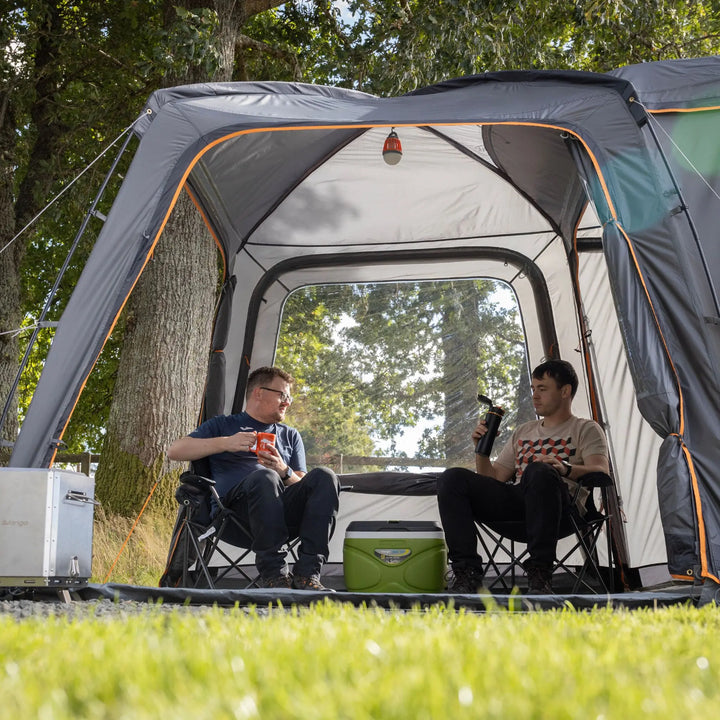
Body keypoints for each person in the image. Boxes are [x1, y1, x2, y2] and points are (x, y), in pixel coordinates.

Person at [436, 359, 609, 594]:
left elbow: (600, 471)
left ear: (565, 391)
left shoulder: (585, 428)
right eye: (533, 389)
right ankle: (467, 574)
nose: (535, 396)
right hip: (517, 507)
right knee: (452, 478)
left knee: (538, 470)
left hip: (560, 510)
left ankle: (540, 573)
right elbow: (494, 479)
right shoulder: (523, 431)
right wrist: (482, 450)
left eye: (543, 389)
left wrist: (563, 468)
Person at [167, 366, 340, 591]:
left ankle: (308, 575)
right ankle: (275, 575)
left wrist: (284, 470)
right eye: (283, 395)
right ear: (259, 392)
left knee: (325, 476)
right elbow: (175, 451)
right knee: (264, 476)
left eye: (289, 397)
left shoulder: (290, 435)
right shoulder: (223, 425)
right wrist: (225, 443)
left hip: (283, 519)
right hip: (234, 517)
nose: (287, 402)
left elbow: (304, 486)